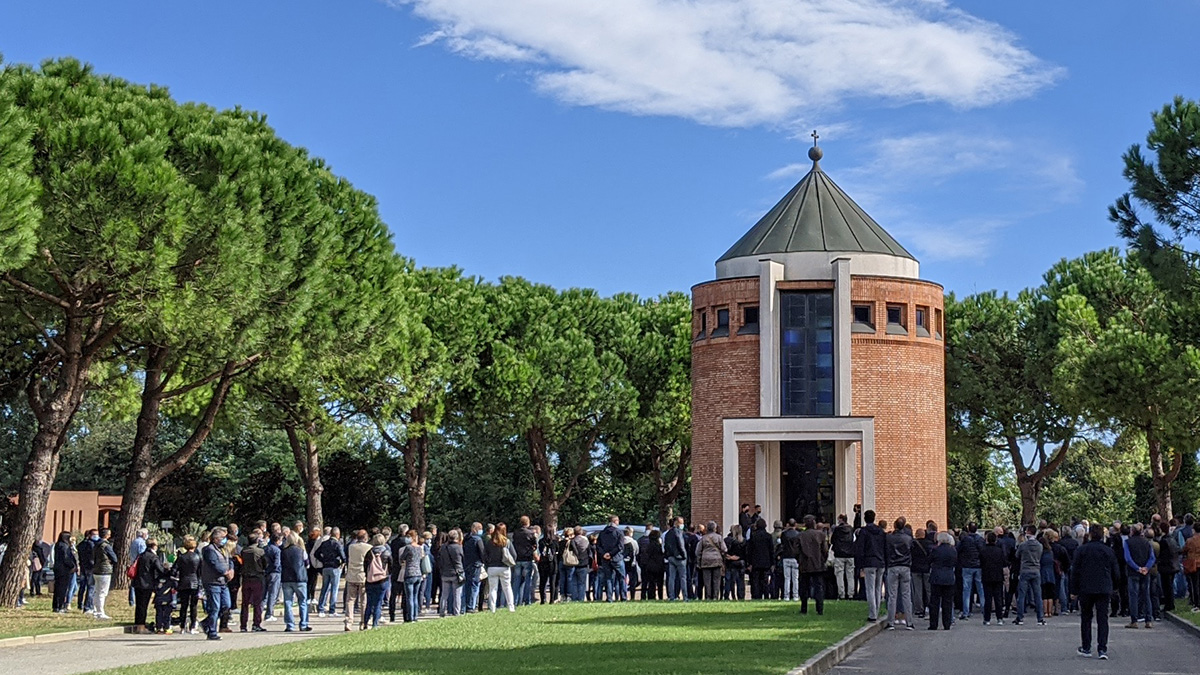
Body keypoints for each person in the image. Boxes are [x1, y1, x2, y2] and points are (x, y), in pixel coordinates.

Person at [1073, 524, 1119, 659]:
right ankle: (1102, 648)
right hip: (1104, 588)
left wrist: (1074, 590)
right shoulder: (1108, 551)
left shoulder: (1082, 550)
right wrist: (1115, 586)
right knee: (1102, 618)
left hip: (1085, 588)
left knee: (1086, 618)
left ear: (1090, 534)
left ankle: (1086, 647)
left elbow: (1075, 571)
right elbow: (1115, 571)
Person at [200, 527, 234, 640]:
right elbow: (214, 564)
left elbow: (230, 560)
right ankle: (212, 631)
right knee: (215, 607)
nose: (225, 540)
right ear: (215, 539)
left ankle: (206, 623)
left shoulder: (224, 549)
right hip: (213, 582)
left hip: (223, 582)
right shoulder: (209, 550)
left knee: (226, 605)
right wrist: (225, 572)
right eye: (222, 538)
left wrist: (231, 570)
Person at [854, 509, 887, 622]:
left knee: (870, 588)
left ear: (865, 519)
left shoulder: (864, 532)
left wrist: (859, 565)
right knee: (878, 588)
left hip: (869, 562)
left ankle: (872, 614)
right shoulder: (881, 532)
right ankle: (876, 611)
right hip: (881, 562)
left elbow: (860, 549)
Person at [1123, 523, 1155, 628]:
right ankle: (1148, 620)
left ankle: (1134, 620)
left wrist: (1137, 568)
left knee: (1133, 596)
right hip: (1146, 572)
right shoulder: (1147, 543)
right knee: (1146, 595)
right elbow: (1152, 557)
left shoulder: (1128, 542)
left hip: (1133, 572)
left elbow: (1128, 558)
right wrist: (1146, 567)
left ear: (1132, 531)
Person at [883, 517, 912, 629]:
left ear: (894, 526)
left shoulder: (889, 538)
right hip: (905, 566)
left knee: (892, 595)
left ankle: (891, 622)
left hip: (893, 566)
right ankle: (909, 622)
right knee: (906, 595)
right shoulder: (908, 538)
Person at [132, 537, 166, 633]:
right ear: (154, 546)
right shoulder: (153, 557)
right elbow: (161, 570)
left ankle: (138, 624)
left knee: (139, 605)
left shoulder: (141, 555)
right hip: (147, 584)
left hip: (138, 582)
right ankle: (141, 627)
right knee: (144, 605)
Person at [798, 515, 830, 616]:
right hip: (818, 564)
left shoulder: (801, 535)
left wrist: (800, 561)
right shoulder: (820, 535)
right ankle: (819, 609)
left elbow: (796, 551)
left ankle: (804, 609)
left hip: (805, 565)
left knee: (804, 588)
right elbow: (825, 550)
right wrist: (822, 560)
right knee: (818, 587)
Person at [1014, 524, 1046, 626]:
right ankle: (1040, 618)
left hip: (1025, 570)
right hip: (1036, 570)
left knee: (1022, 595)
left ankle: (1020, 617)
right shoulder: (1040, 546)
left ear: (1027, 532)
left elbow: (1017, 555)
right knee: (1037, 595)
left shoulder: (1023, 545)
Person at [483, 523, 516, 612]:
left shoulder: (490, 542)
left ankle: (492, 608)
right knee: (507, 587)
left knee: (493, 588)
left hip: (492, 567)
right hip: (504, 567)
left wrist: (488, 563)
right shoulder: (506, 541)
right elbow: (514, 555)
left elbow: (485, 555)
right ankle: (511, 607)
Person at [239, 529, 266, 632]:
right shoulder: (260, 551)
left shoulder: (244, 551)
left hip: (246, 578)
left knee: (245, 603)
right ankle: (256, 624)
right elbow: (264, 564)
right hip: (257, 578)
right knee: (257, 602)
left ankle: (243, 625)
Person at [928, 531, 957, 630]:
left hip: (936, 577)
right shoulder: (953, 550)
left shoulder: (935, 550)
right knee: (947, 602)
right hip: (949, 577)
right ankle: (947, 624)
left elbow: (929, 560)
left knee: (934, 602)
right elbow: (955, 562)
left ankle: (933, 624)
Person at [344, 530, 371, 631]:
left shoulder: (351, 547)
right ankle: (363, 622)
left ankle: (348, 622)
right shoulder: (368, 548)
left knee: (350, 600)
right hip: (363, 576)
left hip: (351, 575)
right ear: (365, 538)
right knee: (363, 601)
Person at [363, 533, 392, 629]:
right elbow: (391, 566)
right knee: (378, 603)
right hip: (382, 581)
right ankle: (375, 624)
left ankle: (365, 623)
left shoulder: (369, 553)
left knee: (369, 603)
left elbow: (365, 567)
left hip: (370, 581)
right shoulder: (387, 552)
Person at [979, 530, 1008, 625]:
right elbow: (1004, 563)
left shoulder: (983, 550)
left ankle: (987, 619)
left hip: (986, 576)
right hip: (998, 576)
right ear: (996, 540)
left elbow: (981, 563)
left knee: (988, 598)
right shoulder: (999, 551)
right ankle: (999, 618)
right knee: (998, 598)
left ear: (986, 539)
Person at [315, 526, 344, 617]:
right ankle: (332, 610)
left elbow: (316, 554)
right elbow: (343, 557)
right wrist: (340, 563)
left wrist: (323, 560)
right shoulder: (337, 544)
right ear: (337, 534)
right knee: (334, 589)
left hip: (325, 567)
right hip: (335, 567)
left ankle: (321, 608)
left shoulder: (324, 543)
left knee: (324, 588)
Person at [957, 522, 984, 620]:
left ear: (968, 529)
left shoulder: (965, 540)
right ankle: (984, 610)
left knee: (966, 590)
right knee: (981, 588)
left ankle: (966, 611)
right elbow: (982, 552)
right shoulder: (980, 540)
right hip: (978, 566)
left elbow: (958, 550)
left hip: (967, 566)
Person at [174, 535, 201, 633]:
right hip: (194, 582)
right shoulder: (198, 557)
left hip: (183, 582)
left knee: (183, 605)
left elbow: (174, 570)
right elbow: (200, 572)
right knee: (193, 606)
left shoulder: (181, 558)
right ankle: (193, 626)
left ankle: (182, 626)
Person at [397, 531, 425, 622]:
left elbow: (402, 558)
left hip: (409, 573)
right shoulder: (420, 548)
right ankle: (416, 616)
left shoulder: (408, 548)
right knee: (415, 596)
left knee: (410, 597)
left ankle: (410, 617)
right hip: (418, 573)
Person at [696, 520, 727, 601]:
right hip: (717, 561)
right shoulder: (719, 537)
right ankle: (715, 597)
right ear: (715, 528)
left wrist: (699, 561)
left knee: (707, 581)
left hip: (705, 561)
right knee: (716, 580)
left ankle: (708, 596)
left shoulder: (703, 538)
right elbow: (724, 549)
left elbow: (698, 551)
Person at [597, 515, 626, 602]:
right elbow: (620, 546)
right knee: (621, 578)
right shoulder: (619, 532)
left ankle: (609, 598)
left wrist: (604, 554)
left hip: (605, 559)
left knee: (609, 579)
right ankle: (623, 597)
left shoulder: (602, 533)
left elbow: (598, 546)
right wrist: (611, 553)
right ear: (615, 521)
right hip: (617, 558)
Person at [91, 528, 117, 620]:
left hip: (96, 570)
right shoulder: (106, 545)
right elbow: (114, 558)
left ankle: (95, 610)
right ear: (106, 535)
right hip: (105, 570)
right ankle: (100, 612)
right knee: (102, 592)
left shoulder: (96, 544)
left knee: (96, 591)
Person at [438, 529, 465, 617]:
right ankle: (456, 612)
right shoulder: (458, 547)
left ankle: (442, 611)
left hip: (445, 573)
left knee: (444, 595)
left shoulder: (443, 547)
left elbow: (440, 560)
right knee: (457, 594)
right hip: (457, 573)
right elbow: (462, 558)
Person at [461, 523, 486, 612]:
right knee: (474, 585)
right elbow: (482, 552)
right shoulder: (478, 539)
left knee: (467, 585)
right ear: (475, 529)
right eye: (480, 528)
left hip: (467, 564)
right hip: (476, 565)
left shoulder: (466, 538)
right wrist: (484, 562)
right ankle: (471, 606)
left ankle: (465, 606)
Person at [747, 519, 775, 600]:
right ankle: (766, 595)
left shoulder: (753, 536)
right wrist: (772, 563)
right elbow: (771, 550)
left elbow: (750, 550)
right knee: (765, 581)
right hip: (766, 562)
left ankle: (756, 596)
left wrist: (749, 563)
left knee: (756, 581)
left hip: (755, 562)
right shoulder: (768, 536)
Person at [52, 531, 78, 613]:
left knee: (57, 589)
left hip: (58, 569)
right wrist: (72, 566)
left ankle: (56, 606)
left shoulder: (58, 544)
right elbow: (66, 558)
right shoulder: (64, 546)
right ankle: (60, 606)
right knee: (62, 589)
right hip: (64, 570)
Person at [830, 514, 855, 601]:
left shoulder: (837, 529)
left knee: (839, 575)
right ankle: (851, 594)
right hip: (850, 554)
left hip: (839, 555)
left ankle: (842, 594)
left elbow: (832, 541)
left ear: (841, 520)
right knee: (850, 575)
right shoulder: (851, 529)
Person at [664, 517, 689, 601]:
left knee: (671, 577)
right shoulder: (678, 532)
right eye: (681, 523)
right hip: (679, 557)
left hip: (671, 557)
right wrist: (684, 555)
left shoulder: (668, 533)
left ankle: (671, 596)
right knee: (683, 577)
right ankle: (685, 597)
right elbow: (681, 544)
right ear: (677, 523)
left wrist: (668, 555)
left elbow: (666, 546)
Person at [911, 527, 933, 619]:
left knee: (918, 590)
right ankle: (930, 607)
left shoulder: (913, 544)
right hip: (927, 569)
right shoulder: (929, 544)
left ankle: (919, 609)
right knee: (928, 590)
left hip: (915, 569)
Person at [262, 533, 283, 623]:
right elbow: (277, 563)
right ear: (278, 540)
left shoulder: (265, 548)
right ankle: (269, 614)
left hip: (266, 572)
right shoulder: (277, 550)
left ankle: (260, 612)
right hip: (275, 573)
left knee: (264, 594)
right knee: (272, 594)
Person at [640, 529, 666, 600]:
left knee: (651, 583)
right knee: (660, 583)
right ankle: (660, 596)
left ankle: (651, 596)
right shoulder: (659, 546)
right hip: (659, 566)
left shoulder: (648, 546)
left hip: (650, 566)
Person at [779, 519, 801, 601]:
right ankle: (795, 595)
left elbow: (782, 544)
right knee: (795, 578)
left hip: (786, 557)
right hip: (795, 558)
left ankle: (786, 596)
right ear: (795, 524)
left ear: (788, 524)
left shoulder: (784, 534)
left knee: (787, 578)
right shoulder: (798, 534)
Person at [76, 529, 97, 613]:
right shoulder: (91, 544)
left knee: (82, 586)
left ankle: (80, 604)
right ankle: (88, 606)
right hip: (90, 567)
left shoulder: (80, 544)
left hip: (83, 566)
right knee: (91, 587)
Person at [723, 525, 746, 601]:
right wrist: (739, 557)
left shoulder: (732, 542)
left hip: (732, 563)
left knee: (730, 580)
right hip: (741, 562)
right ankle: (741, 596)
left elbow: (727, 552)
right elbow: (745, 553)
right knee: (740, 581)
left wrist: (730, 557)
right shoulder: (744, 541)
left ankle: (727, 595)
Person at [537, 529, 559, 604]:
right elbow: (557, 551)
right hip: (552, 562)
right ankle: (552, 600)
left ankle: (543, 600)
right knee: (552, 582)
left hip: (543, 562)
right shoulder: (555, 541)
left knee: (543, 582)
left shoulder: (541, 541)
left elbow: (540, 551)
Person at [127, 528, 147, 606]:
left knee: (133, 582)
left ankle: (132, 600)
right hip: (139, 564)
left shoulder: (134, 541)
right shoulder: (141, 543)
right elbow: (142, 555)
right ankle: (135, 600)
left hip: (133, 563)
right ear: (143, 534)